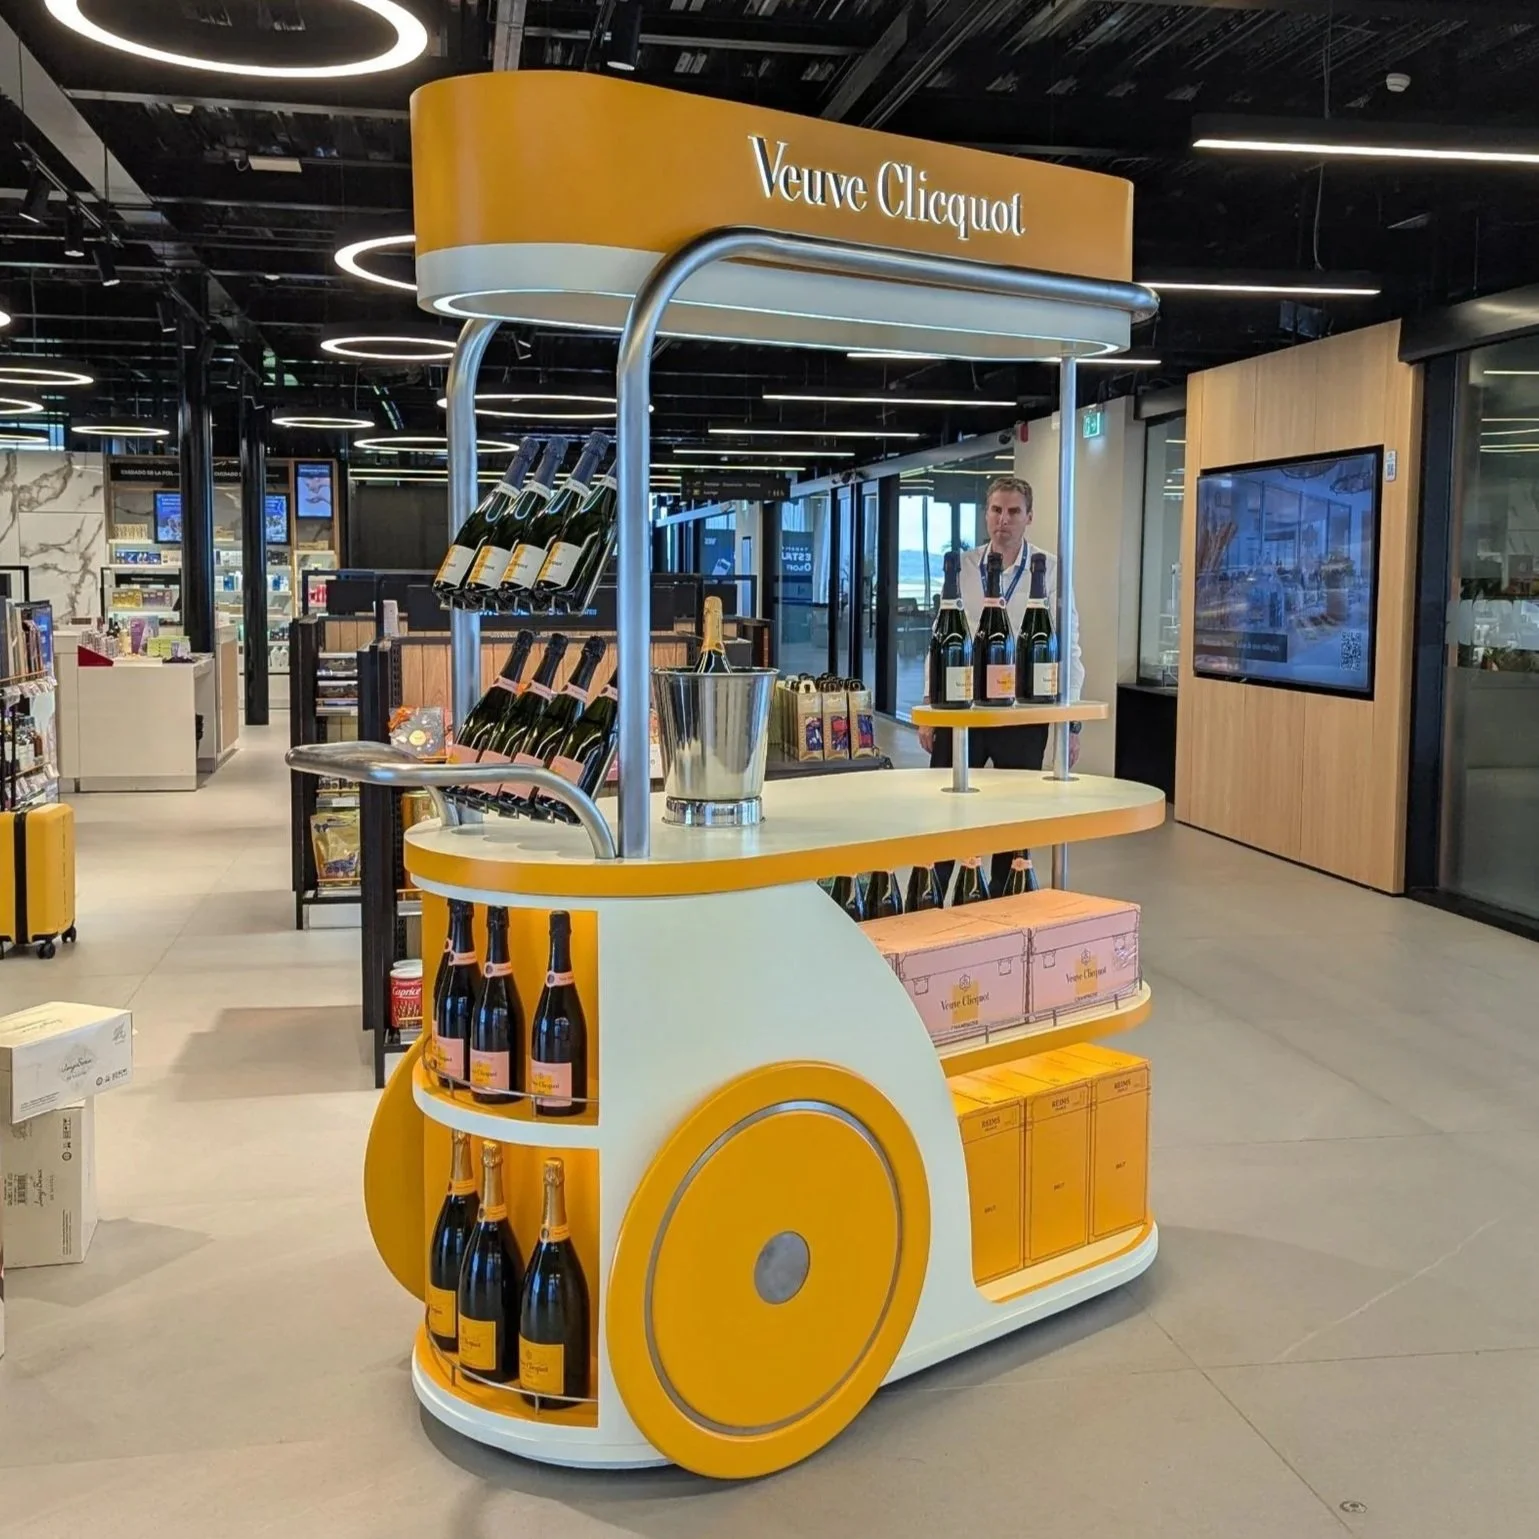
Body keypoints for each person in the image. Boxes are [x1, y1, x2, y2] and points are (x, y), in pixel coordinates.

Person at [918, 473, 1085, 894]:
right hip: (964, 709)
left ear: (1029, 517)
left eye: (1013, 512)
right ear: (985, 514)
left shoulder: (1049, 568)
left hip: (1023, 712)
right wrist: (928, 704)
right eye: (995, 510)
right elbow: (940, 637)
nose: (1002, 520)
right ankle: (932, 897)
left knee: (1014, 817)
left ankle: (1006, 903)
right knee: (948, 809)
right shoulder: (965, 566)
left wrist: (1071, 723)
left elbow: (1071, 646)